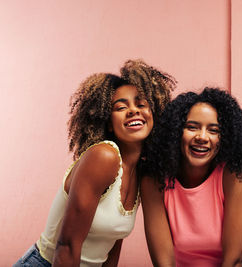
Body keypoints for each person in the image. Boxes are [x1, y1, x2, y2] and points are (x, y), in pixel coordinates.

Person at [14, 59, 176, 267]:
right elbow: (67, 246)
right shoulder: (104, 156)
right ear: (108, 122)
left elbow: (112, 246)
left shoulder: (140, 172)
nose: (134, 110)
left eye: (141, 104)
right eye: (120, 107)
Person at [141, 88, 242, 267]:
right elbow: (163, 262)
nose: (202, 137)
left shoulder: (232, 176)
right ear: (176, 131)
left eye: (213, 130)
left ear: (224, 138)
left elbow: (234, 261)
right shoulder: (154, 180)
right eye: (192, 127)